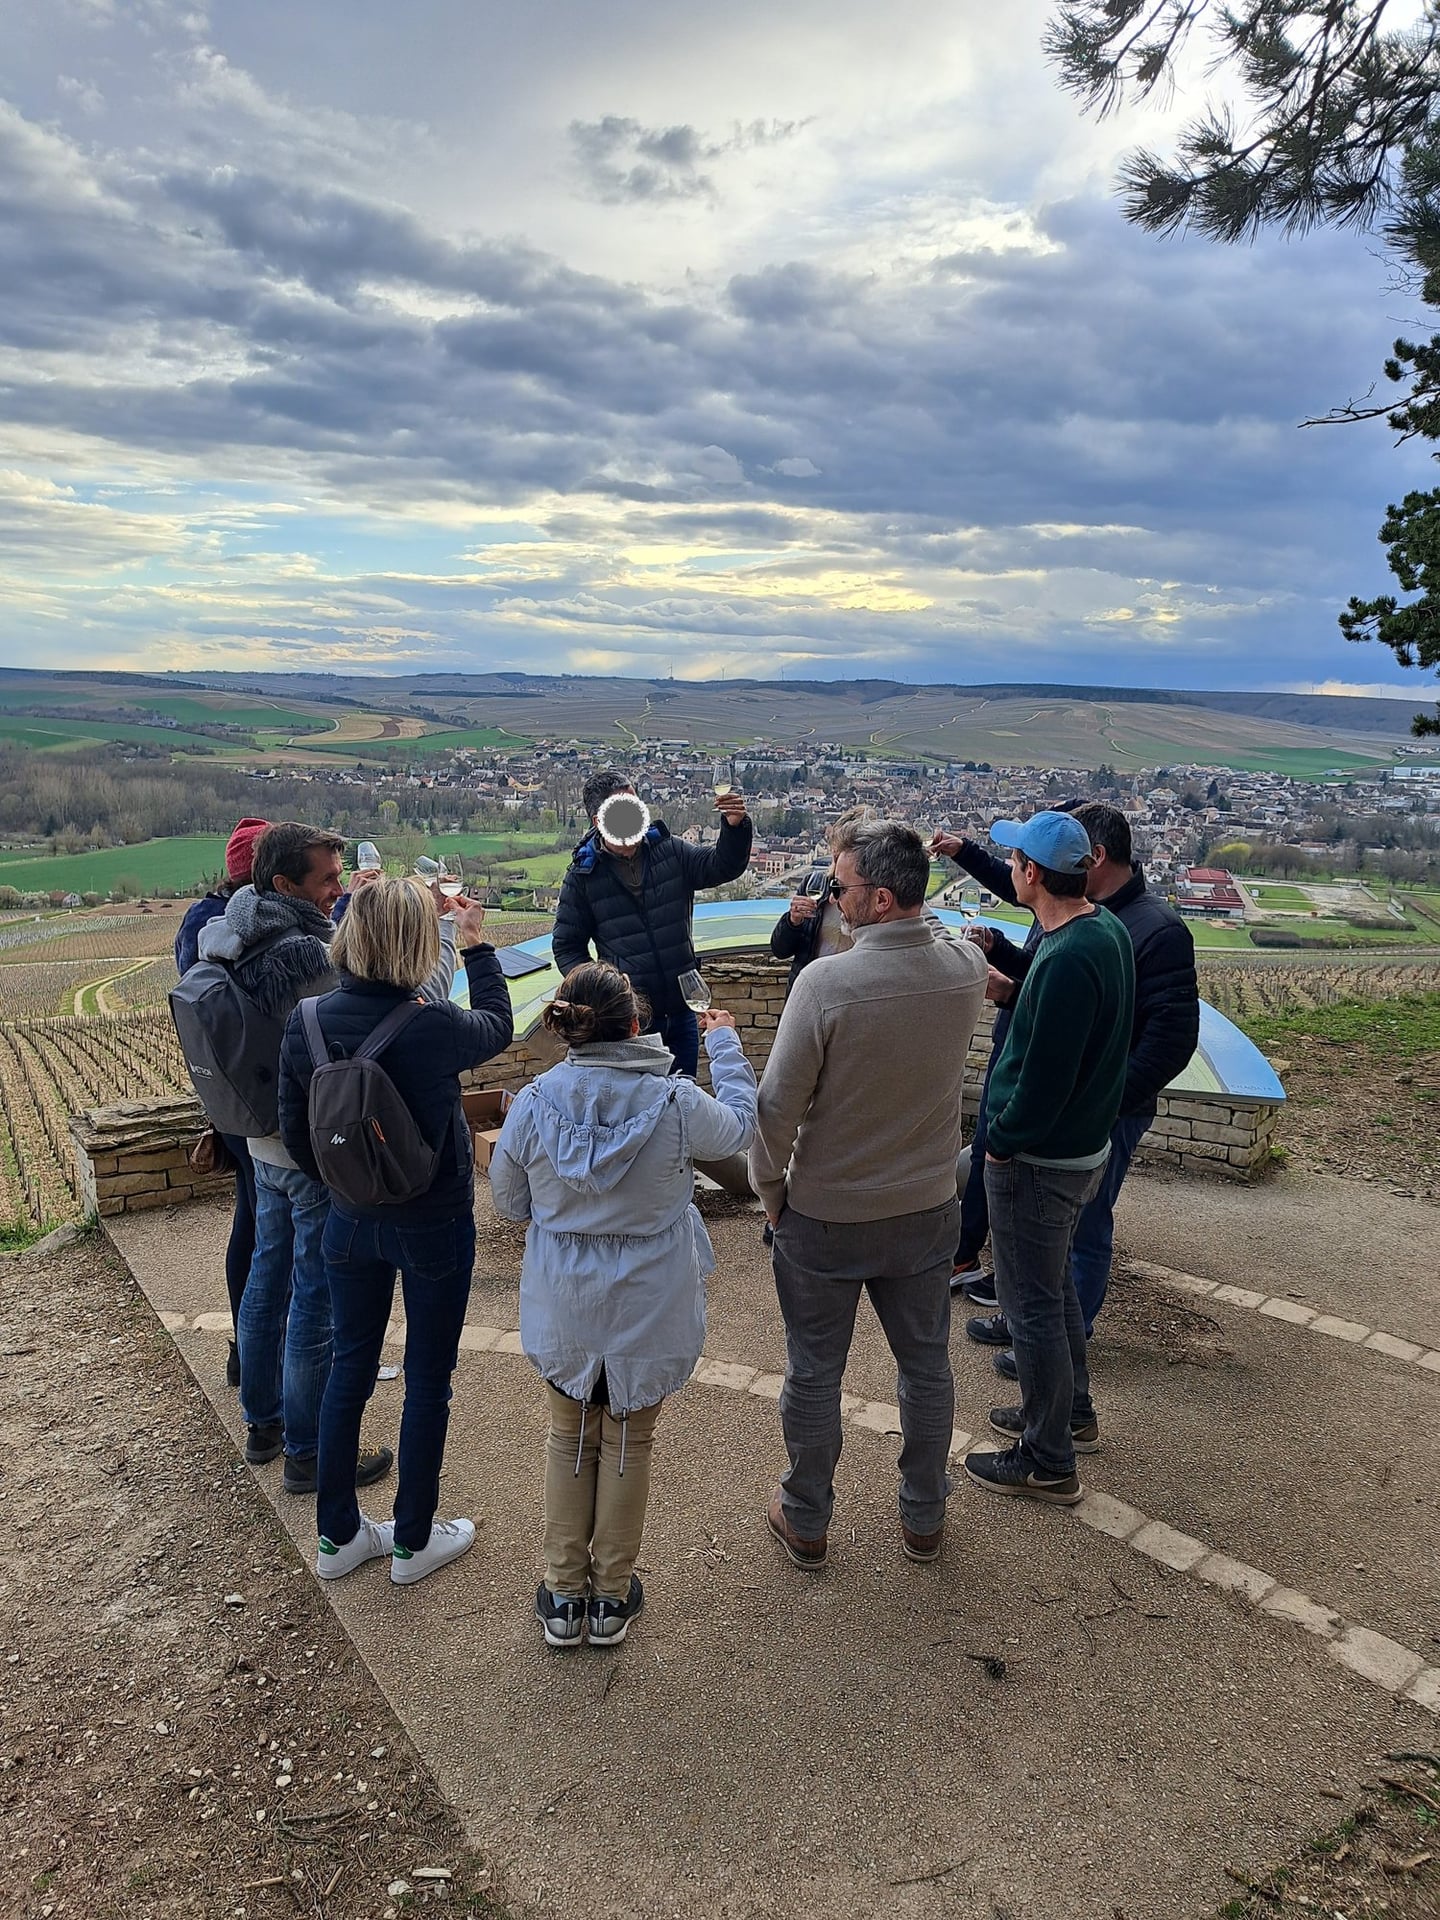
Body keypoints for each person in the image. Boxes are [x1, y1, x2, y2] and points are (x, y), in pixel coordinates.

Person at [489, 962, 757, 1648]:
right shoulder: (674, 1104)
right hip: (650, 1303)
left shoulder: (534, 1104)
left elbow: (512, 1205)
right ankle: (610, 1598)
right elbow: (737, 1133)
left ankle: (562, 1595)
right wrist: (725, 1046)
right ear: (635, 1025)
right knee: (630, 1441)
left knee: (569, 1436)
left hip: (566, 1302)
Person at [748, 821, 988, 1567]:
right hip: (925, 1210)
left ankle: (807, 1519)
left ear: (880, 899)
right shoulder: (965, 972)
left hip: (826, 1213)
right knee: (927, 1368)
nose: (831, 897)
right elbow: (950, 940)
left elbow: (775, 1110)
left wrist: (772, 1194)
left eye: (840, 885)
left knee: (815, 1372)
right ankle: (924, 1518)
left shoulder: (827, 983)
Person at [199, 823, 456, 1493]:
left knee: (265, 1278)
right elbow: (378, 1003)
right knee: (312, 1299)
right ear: (285, 885)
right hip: (307, 1144)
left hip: (259, 1138)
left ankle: (262, 1423)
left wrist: (346, 911)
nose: (338, 891)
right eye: (327, 882)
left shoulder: (232, 928)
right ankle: (308, 1451)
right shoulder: (299, 956)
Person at [277, 877, 514, 1586]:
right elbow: (499, 1024)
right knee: (428, 1380)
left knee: (349, 1366)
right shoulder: (432, 1025)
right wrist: (476, 943)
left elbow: (298, 1138)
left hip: (349, 1223)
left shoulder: (307, 1021)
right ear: (417, 941)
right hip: (433, 1224)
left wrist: (354, 1188)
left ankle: (339, 1535)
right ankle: (412, 1543)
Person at [960, 801, 1200, 1377]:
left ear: (1088, 858)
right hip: (1075, 1107)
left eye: (1022, 860)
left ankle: (1058, 1354)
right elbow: (1059, 1000)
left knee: (1081, 1230)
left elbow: (1171, 1039)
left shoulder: (1153, 930)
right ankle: (1027, 1326)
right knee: (1043, 1240)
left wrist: (1103, 1100)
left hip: (1097, 1112)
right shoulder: (1089, 922)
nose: (1016, 868)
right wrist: (1008, 974)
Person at [961, 812, 1134, 1507]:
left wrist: (999, 1143)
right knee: (1055, 1289)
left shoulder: (1065, 959)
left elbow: (1045, 1080)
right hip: (1080, 1152)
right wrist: (1015, 988)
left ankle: (1047, 1459)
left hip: (1037, 1160)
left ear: (1032, 873)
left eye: (1013, 860)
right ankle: (1069, 1412)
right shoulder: (1102, 932)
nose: (1009, 869)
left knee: (1029, 1306)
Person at [551, 769, 753, 1078]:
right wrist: (603, 994)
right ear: (598, 820)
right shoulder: (583, 877)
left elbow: (721, 866)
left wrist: (735, 827)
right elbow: (567, 947)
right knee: (639, 1108)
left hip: (684, 1010)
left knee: (683, 1099)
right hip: (631, 1022)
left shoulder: (669, 850)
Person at [927, 823, 1045, 1306]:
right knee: (985, 1155)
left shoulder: (1083, 937)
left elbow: (1051, 1005)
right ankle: (965, 1255)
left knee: (995, 1156)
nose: (1012, 868)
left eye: (1018, 859)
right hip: (1011, 1042)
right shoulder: (1064, 918)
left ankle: (1022, 1302)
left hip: (1026, 1067)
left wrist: (1011, 991)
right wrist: (997, 946)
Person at [174, 816, 269, 1389]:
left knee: (249, 1221)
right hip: (259, 1097)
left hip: (223, 1095)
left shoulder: (197, 923)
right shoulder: (247, 928)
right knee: (270, 1229)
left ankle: (244, 1344)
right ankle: (262, 1358)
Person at [767, 806, 876, 995]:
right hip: (810, 993)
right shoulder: (815, 883)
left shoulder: (876, 895)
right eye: (837, 849)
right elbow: (780, 950)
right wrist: (793, 921)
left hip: (853, 995)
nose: (836, 856)